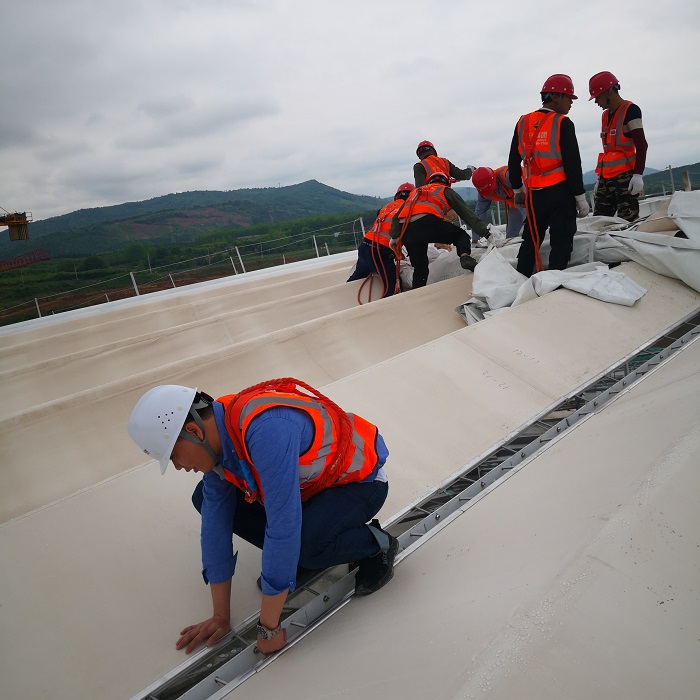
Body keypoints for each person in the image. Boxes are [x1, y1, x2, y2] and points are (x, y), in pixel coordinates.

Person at [127, 379, 398, 656]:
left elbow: (283, 526)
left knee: (307, 545)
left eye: (174, 456)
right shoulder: (220, 439)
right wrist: (220, 617)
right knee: (205, 498)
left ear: (194, 431)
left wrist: (268, 629)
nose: (178, 467)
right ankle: (300, 558)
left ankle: (377, 544)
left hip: (359, 483)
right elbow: (215, 523)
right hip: (311, 491)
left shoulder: (266, 430)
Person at [507, 74, 589, 277]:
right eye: (569, 98)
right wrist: (580, 197)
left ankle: (521, 279)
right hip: (560, 193)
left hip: (534, 196)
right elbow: (573, 164)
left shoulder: (523, 122)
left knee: (531, 240)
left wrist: (517, 189)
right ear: (556, 97)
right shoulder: (563, 123)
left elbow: (513, 160)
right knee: (561, 241)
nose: (571, 103)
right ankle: (554, 282)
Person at [390, 171, 490, 289]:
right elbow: (467, 215)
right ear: (446, 182)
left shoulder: (415, 192)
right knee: (460, 235)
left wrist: (394, 238)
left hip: (406, 230)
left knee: (420, 268)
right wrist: (486, 233)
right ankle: (465, 257)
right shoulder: (444, 190)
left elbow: (396, 217)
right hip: (427, 222)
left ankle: (418, 294)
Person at [589, 71, 648, 222]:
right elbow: (609, 151)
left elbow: (641, 144)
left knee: (628, 220)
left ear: (608, 92)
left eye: (597, 97)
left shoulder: (631, 110)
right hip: (606, 179)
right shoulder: (605, 116)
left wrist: (638, 174)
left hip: (625, 179)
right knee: (600, 222)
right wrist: (600, 179)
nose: (596, 102)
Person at [347, 182, 415, 297]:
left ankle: (341, 299)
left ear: (397, 196)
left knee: (356, 278)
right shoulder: (409, 209)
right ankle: (389, 306)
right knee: (392, 286)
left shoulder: (386, 207)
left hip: (365, 247)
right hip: (381, 251)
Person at [472, 166, 527, 240]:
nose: (491, 192)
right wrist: (475, 239)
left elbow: (525, 199)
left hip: (532, 194)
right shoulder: (483, 192)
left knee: (532, 228)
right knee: (511, 238)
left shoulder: (508, 177)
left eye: (491, 189)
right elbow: (479, 215)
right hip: (515, 205)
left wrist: (525, 222)